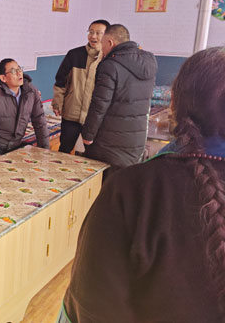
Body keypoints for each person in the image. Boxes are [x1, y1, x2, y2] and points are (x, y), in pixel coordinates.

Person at [60, 47, 225, 322]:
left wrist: (87, 136)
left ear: (175, 102)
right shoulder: (147, 66)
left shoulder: (133, 191)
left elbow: (89, 307)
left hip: (111, 147)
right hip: (131, 143)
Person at [81, 24, 157, 170]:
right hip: (137, 140)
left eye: (103, 43)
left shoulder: (110, 65)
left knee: (104, 180)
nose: (102, 49)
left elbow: (99, 104)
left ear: (110, 43)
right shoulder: (149, 62)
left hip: (109, 142)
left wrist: (88, 135)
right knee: (125, 179)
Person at [52, 19, 110, 153]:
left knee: (92, 153)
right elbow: (60, 81)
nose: (93, 36)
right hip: (71, 113)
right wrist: (57, 103)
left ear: (107, 36)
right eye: (91, 32)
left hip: (95, 117)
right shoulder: (74, 55)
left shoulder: (109, 59)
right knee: (64, 150)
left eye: (98, 33)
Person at [0, 59, 49, 160]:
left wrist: (44, 149)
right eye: (13, 71)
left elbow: (40, 121)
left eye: (19, 69)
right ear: (3, 78)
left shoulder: (31, 91)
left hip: (16, 145)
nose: (19, 73)